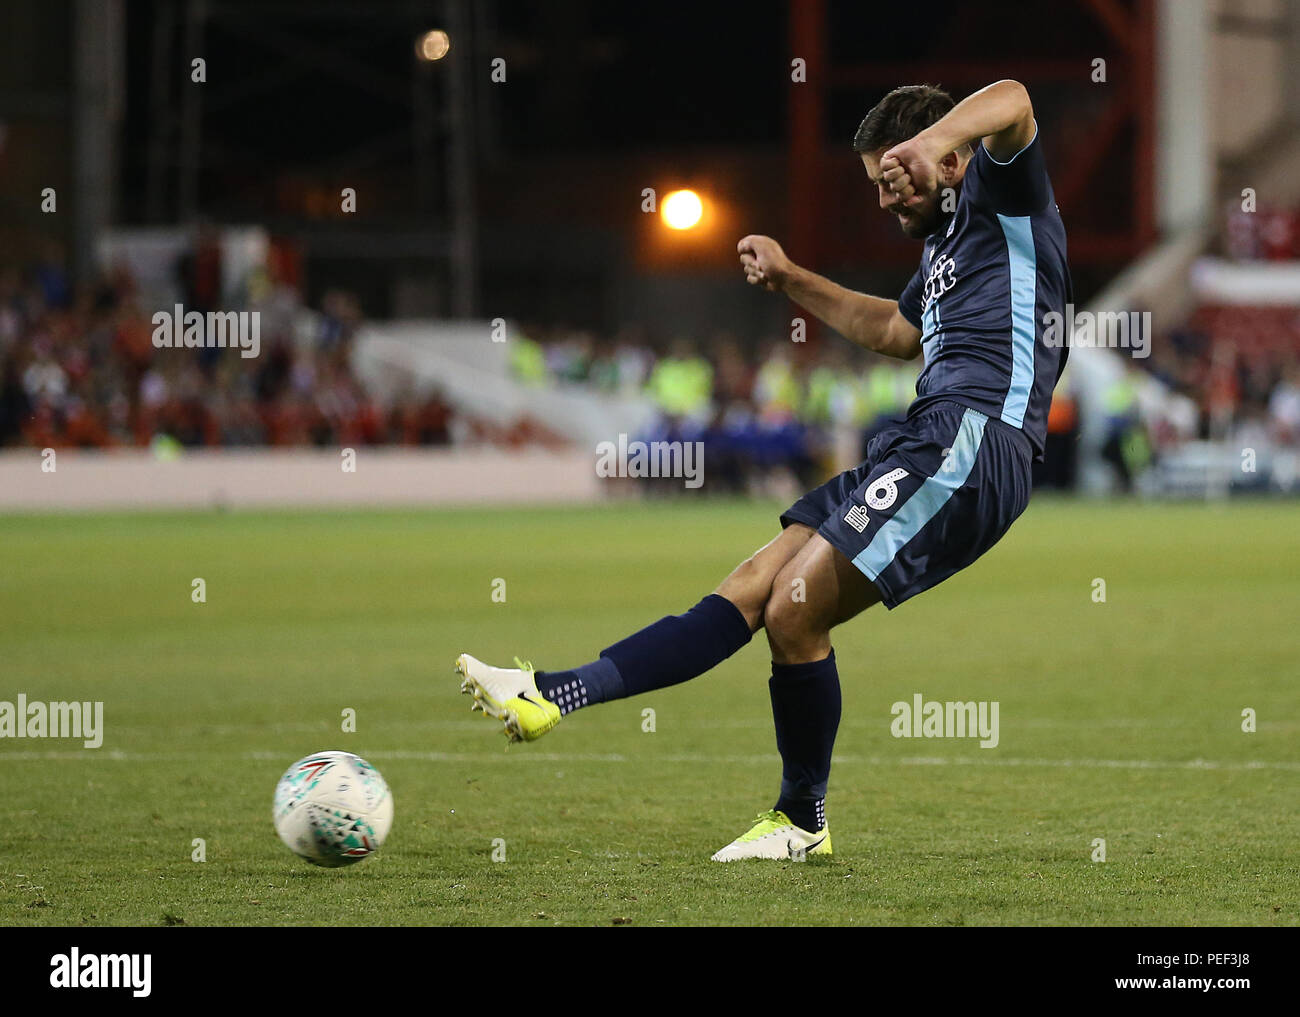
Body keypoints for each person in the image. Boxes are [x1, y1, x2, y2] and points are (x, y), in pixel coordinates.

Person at [456, 80, 1072, 861]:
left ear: (947, 159)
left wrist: (934, 137)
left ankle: (800, 818)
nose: (884, 201)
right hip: (923, 438)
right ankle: (551, 691)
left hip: (979, 442)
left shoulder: (1003, 191)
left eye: (891, 178)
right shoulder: (945, 249)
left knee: (797, 605)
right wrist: (790, 279)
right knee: (754, 585)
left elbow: (1015, 99)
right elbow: (891, 327)